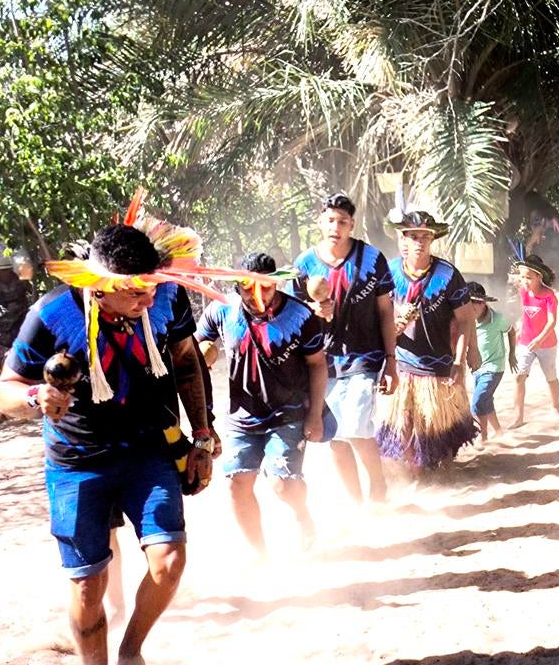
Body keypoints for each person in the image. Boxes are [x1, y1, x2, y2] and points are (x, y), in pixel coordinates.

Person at [0, 193, 219, 665]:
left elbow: (184, 361)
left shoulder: (167, 300)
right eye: (135, 292)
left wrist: (202, 433)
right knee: (87, 582)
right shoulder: (52, 315)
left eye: (151, 288)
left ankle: (131, 652)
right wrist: (37, 397)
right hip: (78, 462)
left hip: (148, 449)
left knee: (169, 561)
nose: (148, 299)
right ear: (99, 285)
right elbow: (5, 391)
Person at [197, 252, 329, 555]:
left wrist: (315, 416)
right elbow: (199, 347)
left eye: (265, 286)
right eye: (248, 286)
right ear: (237, 286)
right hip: (241, 417)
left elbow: (317, 365)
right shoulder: (221, 311)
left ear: (277, 284)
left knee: (283, 485)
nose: (257, 294)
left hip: (288, 413)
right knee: (237, 484)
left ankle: (302, 515)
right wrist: (205, 353)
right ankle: (260, 554)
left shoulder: (300, 316)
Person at [290, 193, 397, 506]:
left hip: (366, 357)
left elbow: (386, 312)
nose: (336, 227)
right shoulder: (304, 264)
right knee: (335, 435)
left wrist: (391, 361)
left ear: (352, 225)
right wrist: (313, 310)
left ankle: (378, 487)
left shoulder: (372, 258)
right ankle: (356, 502)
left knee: (356, 427)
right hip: (323, 361)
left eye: (343, 222)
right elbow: (292, 314)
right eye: (330, 220)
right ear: (320, 221)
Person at [376, 210, 477, 470]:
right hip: (402, 364)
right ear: (403, 239)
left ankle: (437, 472)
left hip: (439, 365)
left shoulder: (447, 275)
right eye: (413, 236)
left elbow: (466, 319)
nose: (419, 241)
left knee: (438, 429)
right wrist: (392, 326)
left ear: (433, 240)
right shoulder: (388, 273)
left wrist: (460, 361)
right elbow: (375, 316)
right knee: (405, 422)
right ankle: (413, 474)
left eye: (425, 236)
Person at [510, 254, 559, 428]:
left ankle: (555, 406)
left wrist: (540, 339)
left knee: (551, 377)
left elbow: (552, 321)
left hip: (546, 344)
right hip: (525, 342)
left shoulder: (549, 296)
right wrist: (519, 327)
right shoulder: (522, 291)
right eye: (522, 277)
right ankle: (518, 417)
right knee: (519, 377)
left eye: (529, 277)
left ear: (539, 276)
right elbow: (524, 313)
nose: (524, 281)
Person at [466, 281, 515, 443]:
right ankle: (499, 431)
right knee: (486, 401)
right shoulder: (465, 321)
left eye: (478, 302)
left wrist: (511, 354)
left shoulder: (498, 319)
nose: (474, 306)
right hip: (477, 368)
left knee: (478, 402)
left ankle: (484, 437)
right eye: (470, 302)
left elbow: (511, 331)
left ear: (484, 303)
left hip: (494, 368)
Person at [0, 252, 34, 362]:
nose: (6, 273)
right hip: (4, 323)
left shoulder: (21, 280)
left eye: (8, 270)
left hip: (22, 318)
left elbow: (32, 292)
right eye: (3, 271)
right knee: (5, 349)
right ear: (0, 271)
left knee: (24, 344)